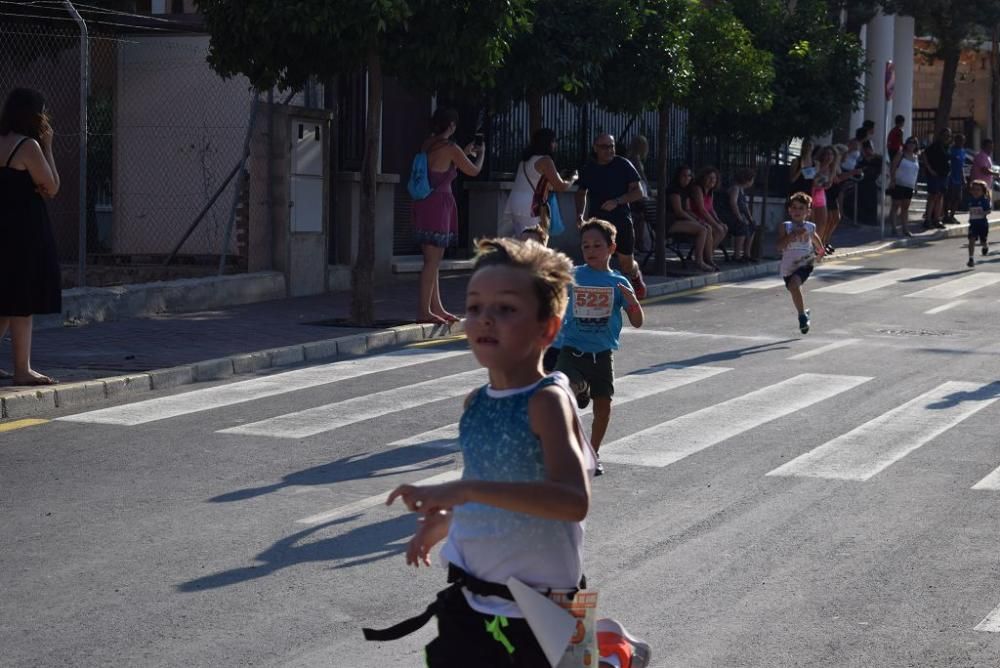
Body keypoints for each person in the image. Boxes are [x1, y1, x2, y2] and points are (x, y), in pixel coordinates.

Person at [372, 237, 595, 666]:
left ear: (547, 328)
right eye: (475, 307)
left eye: (506, 309)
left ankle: (610, 652)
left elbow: (573, 501)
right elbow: (500, 494)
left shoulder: (546, 400)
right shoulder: (475, 404)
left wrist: (465, 491)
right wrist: (446, 523)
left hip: (540, 614)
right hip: (471, 604)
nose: (485, 319)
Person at [556, 219, 644, 476]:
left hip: (602, 355)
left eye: (597, 245)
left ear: (612, 248)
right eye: (586, 246)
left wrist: (632, 301)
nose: (591, 251)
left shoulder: (619, 283)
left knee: (602, 408)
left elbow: (637, 322)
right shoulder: (574, 275)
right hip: (572, 350)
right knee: (564, 396)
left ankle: (592, 453)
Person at [0, 87, 61, 386]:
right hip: (23, 231)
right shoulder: (28, 147)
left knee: (5, 299)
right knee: (21, 301)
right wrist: (48, 146)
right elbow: (51, 186)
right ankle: (22, 369)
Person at [413, 107, 484, 325]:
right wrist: (481, 154)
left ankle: (436, 307)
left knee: (432, 259)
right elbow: (473, 170)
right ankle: (424, 311)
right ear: (451, 126)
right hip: (439, 205)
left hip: (424, 203)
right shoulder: (450, 147)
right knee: (432, 260)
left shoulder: (428, 144)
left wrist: (461, 152)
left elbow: (442, 168)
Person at [575, 133, 647, 298]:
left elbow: (638, 192)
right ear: (595, 148)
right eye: (604, 147)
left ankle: (635, 276)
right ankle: (598, 294)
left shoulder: (623, 165)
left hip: (621, 220)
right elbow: (580, 193)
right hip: (598, 224)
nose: (609, 150)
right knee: (596, 258)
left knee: (626, 264)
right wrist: (579, 215)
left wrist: (618, 201)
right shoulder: (589, 169)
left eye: (611, 146)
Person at [505, 127, 577, 237]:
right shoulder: (545, 160)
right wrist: (573, 178)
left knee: (522, 239)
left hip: (515, 203)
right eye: (554, 141)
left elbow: (538, 180)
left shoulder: (525, 160)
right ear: (548, 143)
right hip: (530, 206)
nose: (555, 145)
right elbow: (560, 186)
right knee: (535, 241)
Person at [777, 192, 824, 335]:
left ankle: (802, 317)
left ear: (808, 212)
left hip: (805, 262)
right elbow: (779, 247)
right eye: (794, 208)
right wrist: (792, 235)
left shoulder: (810, 227)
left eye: (801, 208)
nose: (797, 211)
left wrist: (820, 252)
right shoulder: (785, 226)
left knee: (794, 285)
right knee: (793, 289)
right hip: (788, 265)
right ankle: (803, 312)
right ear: (789, 210)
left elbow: (816, 240)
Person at [664, 165, 712, 271]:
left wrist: (699, 220)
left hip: (680, 221)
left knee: (707, 227)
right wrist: (696, 221)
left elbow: (687, 210)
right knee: (702, 229)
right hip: (669, 222)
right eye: (684, 176)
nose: (687, 178)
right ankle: (699, 261)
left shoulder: (685, 190)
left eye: (689, 176)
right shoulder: (674, 190)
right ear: (678, 176)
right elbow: (679, 211)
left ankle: (709, 259)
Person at [688, 167, 727, 267]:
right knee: (712, 229)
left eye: (714, 178)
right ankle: (707, 257)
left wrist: (718, 221)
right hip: (696, 217)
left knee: (723, 228)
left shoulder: (710, 191)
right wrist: (715, 224)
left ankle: (708, 254)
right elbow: (702, 209)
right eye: (709, 178)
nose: (712, 180)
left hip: (706, 217)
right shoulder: (697, 189)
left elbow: (711, 209)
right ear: (703, 178)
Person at [722, 167, 758, 263]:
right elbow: (733, 203)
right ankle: (737, 255)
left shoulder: (741, 190)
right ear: (747, 180)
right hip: (729, 216)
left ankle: (747, 254)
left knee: (752, 226)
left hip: (736, 216)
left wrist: (750, 219)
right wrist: (739, 217)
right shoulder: (735, 188)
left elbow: (745, 207)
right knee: (742, 226)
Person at [888, 137, 920, 237]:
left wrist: (915, 185)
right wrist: (892, 180)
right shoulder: (901, 154)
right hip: (899, 183)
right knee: (896, 205)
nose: (911, 145)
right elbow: (893, 167)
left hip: (909, 185)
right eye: (910, 142)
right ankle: (893, 227)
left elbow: (915, 172)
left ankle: (905, 228)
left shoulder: (916, 157)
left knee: (905, 207)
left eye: (914, 143)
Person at [920, 127, 951, 230]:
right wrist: (930, 169)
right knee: (933, 196)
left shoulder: (947, 147)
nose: (947, 137)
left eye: (949, 135)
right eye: (945, 135)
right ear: (941, 135)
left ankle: (937, 219)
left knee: (940, 197)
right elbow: (924, 154)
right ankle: (928, 220)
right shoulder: (935, 145)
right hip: (934, 175)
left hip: (944, 175)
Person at [811, 146, 838, 246]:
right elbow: (812, 179)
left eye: (831, 155)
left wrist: (826, 184)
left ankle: (817, 244)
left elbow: (829, 184)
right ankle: (809, 245)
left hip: (821, 193)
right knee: (812, 221)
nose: (829, 157)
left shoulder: (832, 169)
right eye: (826, 154)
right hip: (811, 192)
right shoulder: (817, 164)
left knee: (823, 222)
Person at [965, 179, 991, 267]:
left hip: (982, 224)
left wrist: (983, 213)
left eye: (978, 190)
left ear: (983, 191)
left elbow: (989, 210)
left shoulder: (984, 200)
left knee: (982, 241)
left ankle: (985, 246)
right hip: (973, 224)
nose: (975, 191)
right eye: (974, 189)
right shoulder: (970, 199)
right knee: (971, 240)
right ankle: (971, 258)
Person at [945, 132, 968, 224]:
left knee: (958, 198)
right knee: (949, 198)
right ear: (955, 141)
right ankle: (945, 216)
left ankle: (952, 216)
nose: (961, 142)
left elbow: (962, 166)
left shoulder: (963, 151)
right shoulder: (951, 150)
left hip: (959, 178)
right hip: (950, 178)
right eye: (959, 140)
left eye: (963, 141)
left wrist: (964, 178)